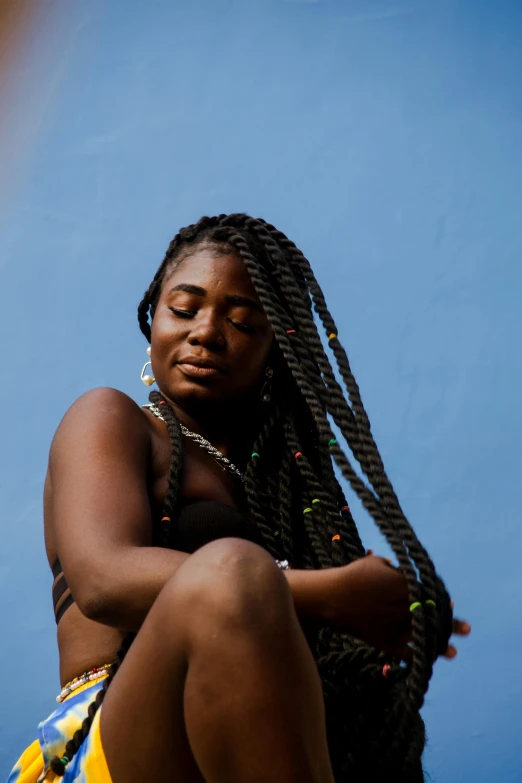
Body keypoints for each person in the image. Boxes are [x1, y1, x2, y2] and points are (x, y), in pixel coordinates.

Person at [7, 213, 470, 783]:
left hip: (235, 749)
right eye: (183, 308)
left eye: (244, 322)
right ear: (153, 316)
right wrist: (330, 593)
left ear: (277, 353)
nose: (205, 331)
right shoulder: (111, 420)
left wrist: (397, 618)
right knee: (232, 570)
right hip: (109, 743)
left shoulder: (284, 491)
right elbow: (104, 580)